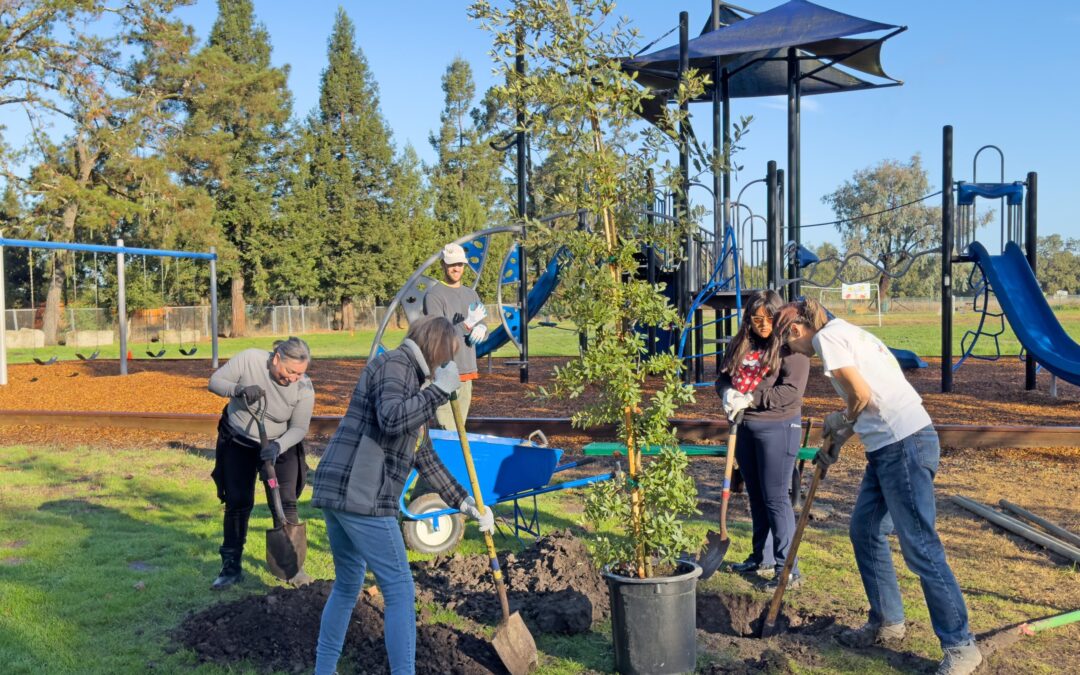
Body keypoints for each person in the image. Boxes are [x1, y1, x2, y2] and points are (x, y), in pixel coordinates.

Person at [775, 297, 982, 675]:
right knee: (866, 530)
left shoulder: (827, 340)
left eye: (790, 345)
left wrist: (840, 418)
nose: (796, 352)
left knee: (920, 547)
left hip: (902, 446)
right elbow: (867, 401)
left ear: (796, 330)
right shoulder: (846, 333)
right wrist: (835, 444)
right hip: (892, 446)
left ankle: (960, 646)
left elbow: (861, 397)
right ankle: (887, 622)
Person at [311, 315, 494, 675]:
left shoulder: (414, 378)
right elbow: (392, 419)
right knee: (399, 590)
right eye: (447, 356)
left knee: (348, 585)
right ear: (436, 347)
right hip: (360, 493)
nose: (447, 365)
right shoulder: (396, 365)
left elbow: (423, 455)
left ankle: (324, 670)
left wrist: (465, 502)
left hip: (342, 492)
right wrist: (438, 391)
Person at [716, 290, 810, 590]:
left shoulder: (791, 348)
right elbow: (723, 378)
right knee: (756, 497)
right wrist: (727, 394)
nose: (763, 325)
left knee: (776, 498)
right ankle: (762, 557)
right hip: (744, 428)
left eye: (769, 318)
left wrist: (751, 398)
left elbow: (790, 392)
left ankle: (787, 569)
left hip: (778, 427)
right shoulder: (741, 344)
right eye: (757, 319)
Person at [208, 336, 315, 589]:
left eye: (300, 374)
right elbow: (214, 382)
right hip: (239, 441)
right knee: (238, 502)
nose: (293, 378)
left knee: (285, 502)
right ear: (276, 358)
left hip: (280, 444)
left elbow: (299, 427)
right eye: (290, 371)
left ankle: (292, 567)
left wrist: (278, 446)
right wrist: (239, 390)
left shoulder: (304, 388)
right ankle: (230, 568)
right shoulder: (250, 359)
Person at [422, 243, 487, 429]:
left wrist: (481, 328)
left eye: (459, 264)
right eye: (451, 264)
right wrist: (466, 324)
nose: (456, 268)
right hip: (443, 371)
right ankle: (445, 458)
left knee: (460, 429)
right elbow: (438, 335)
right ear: (443, 264)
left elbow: (482, 323)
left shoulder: (471, 294)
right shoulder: (433, 296)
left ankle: (454, 458)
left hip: (467, 370)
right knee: (447, 428)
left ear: (464, 266)